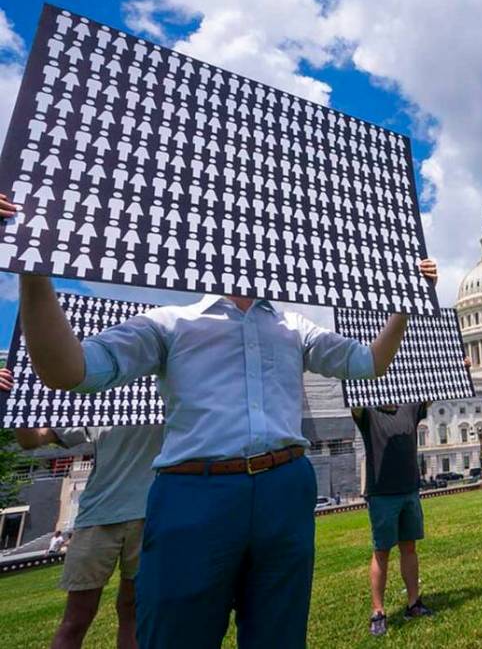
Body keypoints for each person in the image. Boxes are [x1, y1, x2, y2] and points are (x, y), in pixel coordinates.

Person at [7, 188, 437, 649]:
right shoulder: (169, 323)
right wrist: (34, 269)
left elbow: (369, 362)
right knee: (176, 633)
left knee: (279, 634)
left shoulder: (294, 326)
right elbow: (67, 370)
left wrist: (405, 303)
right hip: (195, 493)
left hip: (285, 488)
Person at [15, 424, 164, 649]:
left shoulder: (166, 398)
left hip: (147, 515)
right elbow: (31, 440)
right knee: (77, 617)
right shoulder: (100, 406)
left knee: (133, 611)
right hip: (98, 517)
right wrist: (14, 403)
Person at [352, 402, 432, 637]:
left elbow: (435, 389)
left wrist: (460, 369)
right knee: (382, 551)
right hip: (382, 493)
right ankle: (378, 611)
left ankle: (413, 603)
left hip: (409, 489)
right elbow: (352, 399)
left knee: (409, 548)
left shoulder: (409, 408)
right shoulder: (368, 412)